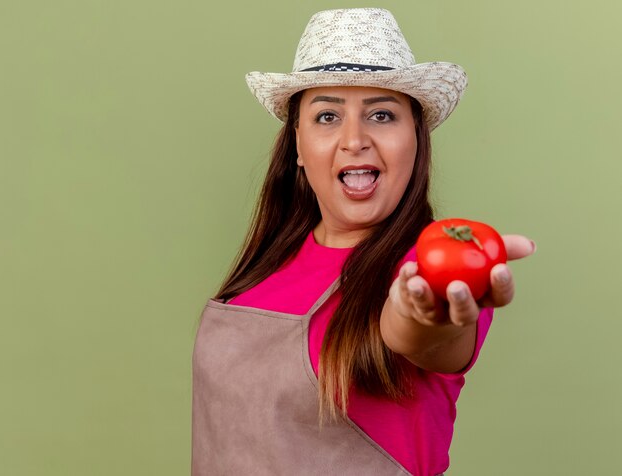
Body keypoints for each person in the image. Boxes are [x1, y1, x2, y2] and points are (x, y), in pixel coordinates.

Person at [192, 8, 535, 476]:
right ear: (297, 142)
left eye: (381, 114)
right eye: (328, 115)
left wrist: (423, 315)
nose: (354, 140)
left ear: (415, 138)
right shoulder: (265, 266)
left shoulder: (432, 268)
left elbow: (425, 335)